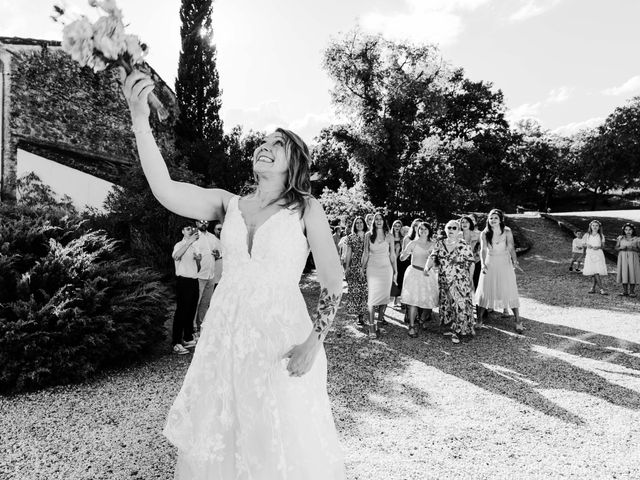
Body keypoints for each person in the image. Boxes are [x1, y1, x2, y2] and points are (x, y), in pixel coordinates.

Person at [121, 71, 345, 479]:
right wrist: (139, 120)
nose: (265, 146)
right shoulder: (229, 204)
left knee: (279, 441)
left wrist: (314, 343)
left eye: (279, 144)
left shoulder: (307, 209)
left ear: (294, 163)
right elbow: (165, 190)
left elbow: (333, 279)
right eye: (264, 141)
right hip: (225, 337)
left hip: (282, 338)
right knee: (223, 434)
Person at [475, 209, 524, 333]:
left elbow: (511, 247)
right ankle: (479, 319)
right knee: (485, 289)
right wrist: (483, 264)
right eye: (491, 218)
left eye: (495, 218)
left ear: (500, 219)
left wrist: (515, 261)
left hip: (504, 262)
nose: (493, 220)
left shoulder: (507, 231)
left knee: (509, 289)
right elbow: (483, 250)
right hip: (490, 263)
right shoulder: (484, 233)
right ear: (488, 220)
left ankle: (518, 320)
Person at [425, 220, 474, 344]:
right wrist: (427, 267)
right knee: (447, 304)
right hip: (444, 281)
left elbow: (471, 262)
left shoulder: (464, 245)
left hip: (460, 281)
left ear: (458, 231)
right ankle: (451, 327)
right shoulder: (440, 244)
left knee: (459, 305)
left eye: (454, 228)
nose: (451, 230)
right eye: (449, 227)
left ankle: (457, 331)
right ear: (445, 229)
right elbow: (432, 256)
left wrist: (471, 278)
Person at [399, 222, 438, 338]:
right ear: (418, 231)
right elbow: (402, 258)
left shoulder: (434, 244)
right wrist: (405, 253)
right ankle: (411, 326)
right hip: (414, 273)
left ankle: (421, 320)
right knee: (413, 301)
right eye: (421, 229)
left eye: (425, 229)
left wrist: (433, 260)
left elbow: (436, 263)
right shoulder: (413, 243)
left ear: (429, 231)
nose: (423, 231)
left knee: (428, 302)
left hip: (428, 274)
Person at [362, 212, 396, 338]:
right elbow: (365, 253)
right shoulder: (368, 235)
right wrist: (362, 267)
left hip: (387, 269)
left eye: (381, 219)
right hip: (372, 268)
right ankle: (371, 327)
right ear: (373, 222)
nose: (379, 221)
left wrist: (396, 271)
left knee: (384, 297)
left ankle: (379, 323)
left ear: (384, 221)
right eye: (376, 219)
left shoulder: (390, 236)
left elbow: (392, 255)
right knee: (372, 297)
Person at [171, 224, 201, 355]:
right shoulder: (179, 245)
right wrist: (189, 243)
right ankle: (176, 343)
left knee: (191, 310)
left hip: (194, 280)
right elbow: (176, 256)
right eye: (188, 228)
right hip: (183, 281)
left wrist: (198, 260)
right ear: (182, 231)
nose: (191, 230)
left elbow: (197, 268)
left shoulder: (195, 246)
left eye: (192, 228)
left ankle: (188, 337)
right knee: (181, 312)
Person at [193, 219, 222, 334]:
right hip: (199, 275)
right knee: (196, 303)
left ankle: (202, 327)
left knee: (205, 303)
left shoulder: (212, 237)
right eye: (201, 222)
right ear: (196, 223)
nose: (203, 224)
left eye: (206, 222)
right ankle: (193, 328)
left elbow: (221, 251)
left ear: (208, 224)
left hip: (211, 275)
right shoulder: (194, 236)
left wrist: (218, 254)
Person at [344, 216, 368, 325]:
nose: (359, 224)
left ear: (364, 224)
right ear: (355, 225)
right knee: (356, 290)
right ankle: (360, 316)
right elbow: (348, 253)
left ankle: (370, 314)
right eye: (357, 223)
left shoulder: (369, 236)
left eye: (361, 222)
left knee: (366, 290)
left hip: (368, 264)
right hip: (355, 266)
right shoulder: (351, 237)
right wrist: (347, 267)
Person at [582, 219, 608, 295]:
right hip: (590, 254)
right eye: (593, 225)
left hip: (598, 254)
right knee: (594, 272)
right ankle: (593, 287)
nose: (595, 227)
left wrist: (599, 247)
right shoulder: (587, 235)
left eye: (597, 226)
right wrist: (587, 245)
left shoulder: (601, 235)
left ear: (599, 227)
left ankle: (601, 289)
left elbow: (603, 246)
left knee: (596, 272)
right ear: (590, 226)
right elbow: (583, 244)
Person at [615, 222, 640, 297]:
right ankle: (625, 291)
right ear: (624, 230)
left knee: (632, 272)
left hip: (633, 257)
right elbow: (616, 248)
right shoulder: (620, 238)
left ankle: (632, 291)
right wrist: (620, 248)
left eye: (630, 230)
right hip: (622, 257)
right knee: (624, 272)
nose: (628, 231)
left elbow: (639, 249)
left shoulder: (637, 239)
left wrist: (633, 248)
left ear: (633, 230)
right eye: (626, 230)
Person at [460, 216, 481, 289]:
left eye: (467, 222)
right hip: (461, 263)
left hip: (476, 261)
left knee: (477, 283)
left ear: (471, 224)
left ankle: (477, 299)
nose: (464, 224)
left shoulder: (478, 234)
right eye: (462, 222)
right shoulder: (458, 235)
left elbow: (482, 248)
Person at [390, 219, 404, 307]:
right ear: (393, 226)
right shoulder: (389, 236)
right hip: (390, 260)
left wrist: (398, 250)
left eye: (399, 226)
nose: (397, 228)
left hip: (400, 261)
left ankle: (398, 299)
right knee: (391, 278)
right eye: (395, 225)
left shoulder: (403, 238)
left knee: (399, 279)